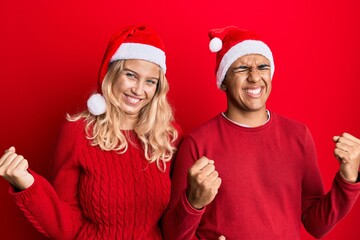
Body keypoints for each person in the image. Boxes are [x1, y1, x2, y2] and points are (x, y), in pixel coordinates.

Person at [162, 26, 360, 239]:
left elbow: (316, 225)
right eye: (241, 69)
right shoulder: (197, 143)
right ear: (223, 81)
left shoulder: (298, 135)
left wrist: (348, 179)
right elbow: (173, 234)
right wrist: (193, 202)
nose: (255, 77)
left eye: (263, 66)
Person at [0, 25, 181, 239]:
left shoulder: (168, 138)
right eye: (131, 75)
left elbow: (177, 221)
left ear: (158, 88)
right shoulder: (78, 133)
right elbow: (65, 226)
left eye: (150, 81)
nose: (139, 90)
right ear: (112, 74)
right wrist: (26, 183)